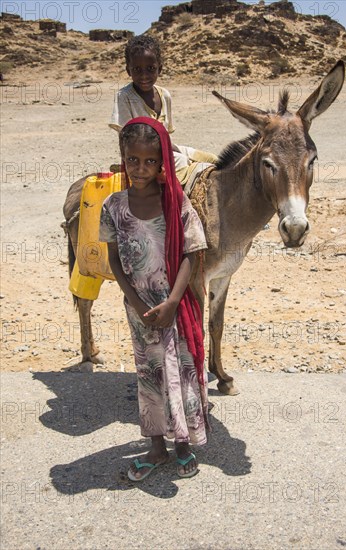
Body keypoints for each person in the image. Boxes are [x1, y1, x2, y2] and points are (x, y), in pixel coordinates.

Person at [99, 117, 209, 481]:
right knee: (149, 376)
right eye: (133, 160)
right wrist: (133, 300)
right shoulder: (114, 206)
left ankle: (183, 444)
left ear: (162, 162)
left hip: (173, 306)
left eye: (150, 161)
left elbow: (193, 253)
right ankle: (157, 446)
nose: (141, 168)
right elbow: (114, 258)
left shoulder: (175, 202)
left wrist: (174, 301)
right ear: (124, 158)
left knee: (181, 373)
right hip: (140, 309)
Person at [109, 34, 217, 190]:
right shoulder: (124, 97)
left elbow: (166, 135)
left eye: (150, 69)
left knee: (211, 159)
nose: (144, 75)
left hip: (167, 148)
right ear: (128, 70)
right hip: (143, 155)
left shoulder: (164, 95)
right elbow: (126, 140)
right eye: (137, 70)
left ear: (160, 68)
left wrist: (171, 150)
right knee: (185, 164)